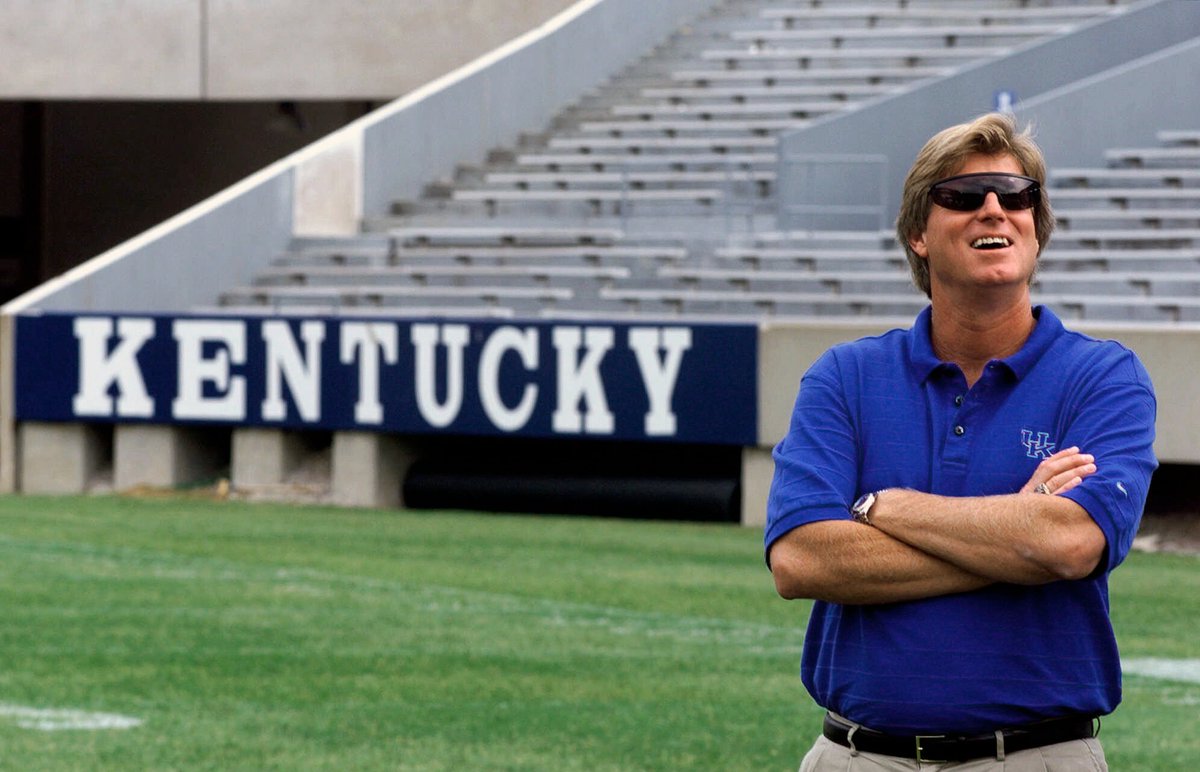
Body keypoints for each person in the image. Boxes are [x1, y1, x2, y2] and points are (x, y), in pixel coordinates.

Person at [765, 112, 1158, 771]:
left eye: (1017, 195)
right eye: (964, 196)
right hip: (857, 757)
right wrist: (1016, 532)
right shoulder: (845, 376)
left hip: (1040, 756)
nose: (995, 210)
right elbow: (802, 561)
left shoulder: (1104, 377)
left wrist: (882, 508)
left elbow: (1069, 543)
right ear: (919, 233)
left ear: (1037, 228)